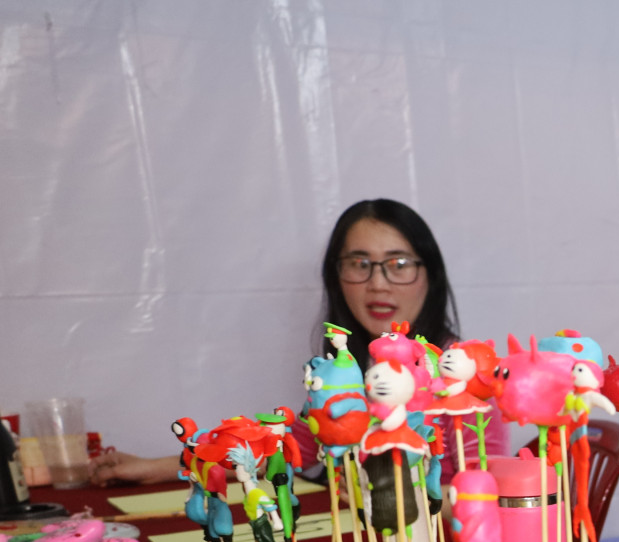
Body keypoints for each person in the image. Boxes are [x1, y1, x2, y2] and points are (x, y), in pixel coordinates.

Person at [89, 199, 494, 483]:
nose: (377, 284)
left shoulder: (462, 374)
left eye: (399, 264)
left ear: (431, 274)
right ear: (336, 277)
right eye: (359, 264)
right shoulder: (347, 369)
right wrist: (157, 467)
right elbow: (285, 449)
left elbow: (483, 488)